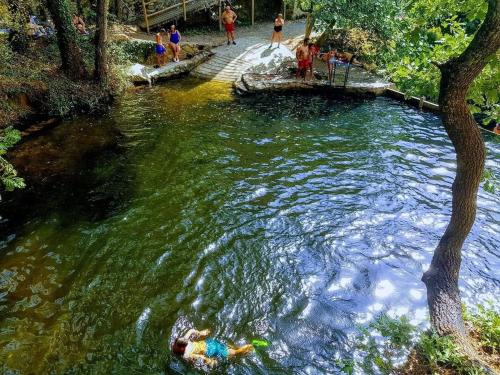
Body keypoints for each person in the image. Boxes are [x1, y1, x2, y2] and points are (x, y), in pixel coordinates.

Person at [172, 328, 253, 367]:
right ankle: (237, 348)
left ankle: (245, 348)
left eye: (174, 346)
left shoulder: (187, 355)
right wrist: (200, 333)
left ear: (181, 348)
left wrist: (209, 361)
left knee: (234, 353)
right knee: (225, 348)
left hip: (210, 350)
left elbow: (200, 356)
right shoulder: (185, 340)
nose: (173, 346)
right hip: (209, 342)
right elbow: (191, 330)